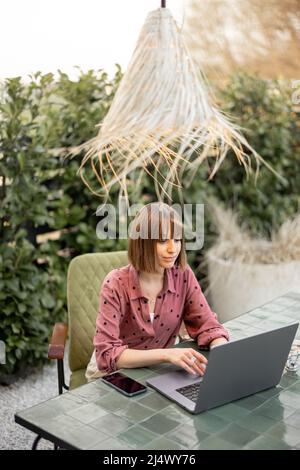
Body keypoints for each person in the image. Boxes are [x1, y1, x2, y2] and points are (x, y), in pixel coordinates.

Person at [86, 202, 229, 381]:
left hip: (158, 371)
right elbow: (106, 355)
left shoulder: (183, 275)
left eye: (177, 240)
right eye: (163, 241)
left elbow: (208, 325)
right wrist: (165, 355)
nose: (173, 249)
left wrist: (222, 353)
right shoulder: (115, 284)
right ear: (143, 244)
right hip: (114, 374)